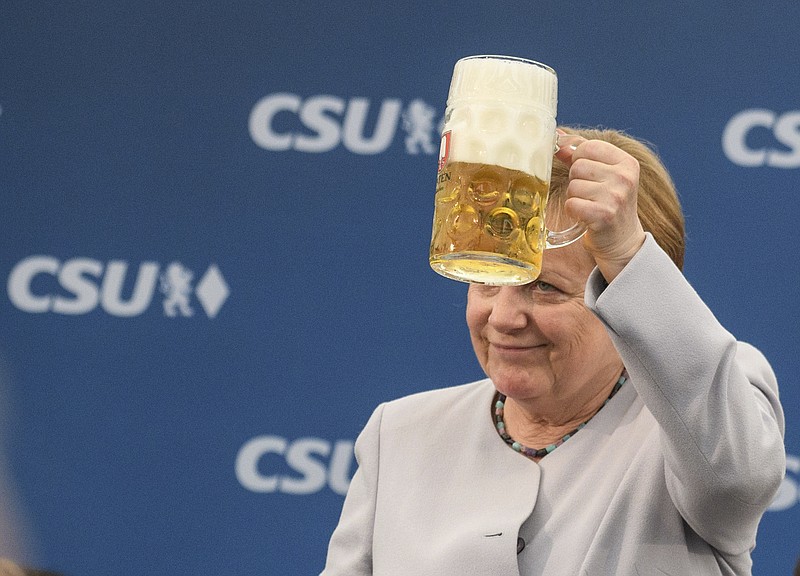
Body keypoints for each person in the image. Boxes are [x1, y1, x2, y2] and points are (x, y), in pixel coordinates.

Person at [320, 127, 786, 575]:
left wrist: (624, 250)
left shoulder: (704, 418)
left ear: (624, 292)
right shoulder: (400, 435)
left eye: (544, 287)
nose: (503, 317)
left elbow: (735, 482)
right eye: (489, 276)